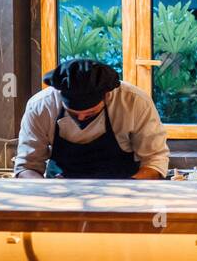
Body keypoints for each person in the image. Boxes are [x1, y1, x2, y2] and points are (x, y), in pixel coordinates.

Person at [13, 59, 169, 179]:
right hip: (59, 197)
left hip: (124, 194)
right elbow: (27, 166)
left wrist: (126, 188)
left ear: (107, 96)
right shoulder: (41, 106)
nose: (81, 118)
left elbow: (154, 161)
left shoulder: (134, 102)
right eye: (73, 113)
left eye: (90, 113)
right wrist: (44, 189)